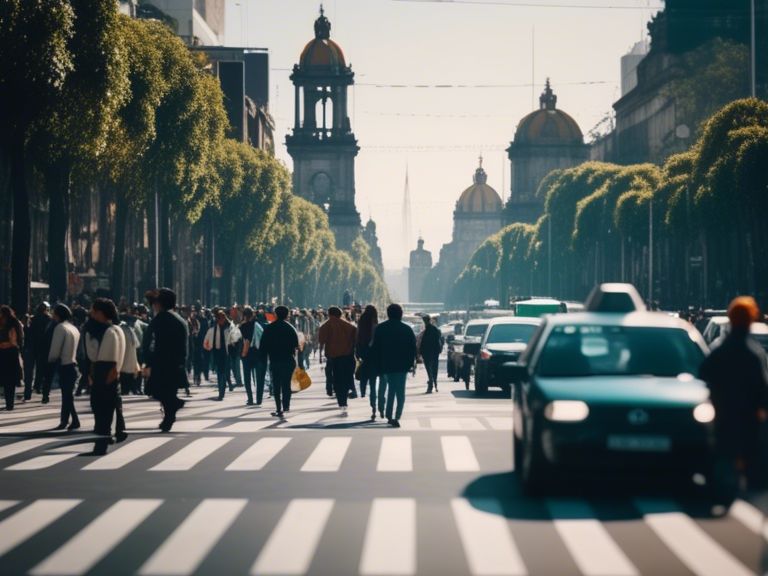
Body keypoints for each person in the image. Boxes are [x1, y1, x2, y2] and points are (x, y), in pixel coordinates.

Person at [701, 296, 768, 496]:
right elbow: (761, 386)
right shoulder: (753, 352)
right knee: (750, 450)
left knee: (722, 449)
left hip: (722, 409)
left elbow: (704, 372)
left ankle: (722, 482)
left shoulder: (720, 348)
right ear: (750, 320)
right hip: (747, 413)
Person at [84, 298, 126, 454]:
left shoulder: (103, 332)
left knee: (100, 408)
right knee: (107, 407)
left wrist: (88, 336)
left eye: (93, 311)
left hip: (104, 369)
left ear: (100, 313)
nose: (91, 314)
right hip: (113, 371)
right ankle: (102, 441)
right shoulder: (117, 329)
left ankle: (101, 444)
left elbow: (93, 354)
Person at [142, 288, 188, 432]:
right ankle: (169, 418)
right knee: (169, 391)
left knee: (156, 390)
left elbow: (149, 341)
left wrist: (147, 360)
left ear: (159, 304)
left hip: (161, 362)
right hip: (176, 362)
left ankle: (173, 409)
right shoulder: (180, 320)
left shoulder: (159, 319)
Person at [369, 303, 417, 428]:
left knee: (390, 389)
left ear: (388, 314)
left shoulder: (381, 328)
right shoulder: (407, 329)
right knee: (400, 391)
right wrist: (412, 364)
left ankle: (388, 414)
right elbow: (413, 348)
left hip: (386, 364)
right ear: (400, 314)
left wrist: (377, 364)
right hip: (402, 365)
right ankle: (397, 415)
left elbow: (375, 348)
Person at [259, 305, 299, 419]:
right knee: (286, 384)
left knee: (276, 385)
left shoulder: (269, 328)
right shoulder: (290, 328)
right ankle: (286, 406)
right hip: (288, 360)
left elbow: (263, 346)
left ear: (275, 314)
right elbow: (296, 346)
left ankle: (278, 408)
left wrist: (263, 359)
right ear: (287, 315)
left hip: (275, 359)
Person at [318, 306, 358, 416]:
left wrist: (320, 356)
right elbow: (355, 338)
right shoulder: (349, 325)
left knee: (337, 379)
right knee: (347, 377)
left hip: (334, 357)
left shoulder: (326, 325)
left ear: (329, 314)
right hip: (348, 355)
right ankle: (346, 395)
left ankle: (341, 401)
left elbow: (321, 341)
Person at [48, 304, 81, 430]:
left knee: (66, 395)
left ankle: (70, 420)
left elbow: (55, 350)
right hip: (73, 363)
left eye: (54, 313)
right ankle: (66, 420)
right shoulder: (74, 328)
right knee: (68, 395)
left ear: (58, 314)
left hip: (64, 364)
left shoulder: (60, 328)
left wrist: (50, 360)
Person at [204, 310, 234, 400]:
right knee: (220, 372)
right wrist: (209, 348)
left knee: (223, 371)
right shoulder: (212, 330)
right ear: (217, 319)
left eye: (222, 318)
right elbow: (206, 343)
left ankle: (222, 392)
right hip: (216, 352)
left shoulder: (229, 328)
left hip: (226, 353)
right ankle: (222, 389)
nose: (221, 320)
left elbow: (236, 339)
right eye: (219, 318)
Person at [356, 305, 379, 420]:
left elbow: (357, 339)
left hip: (364, 355)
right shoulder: (375, 325)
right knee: (374, 383)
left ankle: (363, 390)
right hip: (374, 356)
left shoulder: (361, 323)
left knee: (364, 374)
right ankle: (373, 405)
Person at [241, 306, 266, 406]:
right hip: (259, 354)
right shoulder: (260, 325)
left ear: (245, 316)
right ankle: (259, 399)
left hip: (248, 355)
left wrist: (243, 353)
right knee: (260, 378)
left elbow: (246, 341)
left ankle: (250, 399)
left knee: (247, 378)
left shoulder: (244, 326)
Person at [28, 302, 53, 402]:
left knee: (37, 367)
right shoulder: (49, 319)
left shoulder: (34, 319)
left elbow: (30, 333)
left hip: (35, 346)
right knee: (45, 368)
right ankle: (42, 387)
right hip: (46, 346)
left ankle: (37, 385)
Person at [0, 306, 24, 411]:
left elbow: (14, 341)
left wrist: (6, 344)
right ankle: (9, 403)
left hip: (9, 353)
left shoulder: (13, 324)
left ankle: (10, 403)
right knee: (6, 380)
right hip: (5, 353)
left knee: (9, 380)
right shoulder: (3, 324)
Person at [418, 315, 443, 393]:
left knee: (430, 368)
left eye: (424, 320)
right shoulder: (434, 329)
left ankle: (432, 383)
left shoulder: (429, 329)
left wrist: (420, 351)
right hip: (433, 352)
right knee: (433, 368)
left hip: (429, 352)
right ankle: (434, 383)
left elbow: (424, 342)